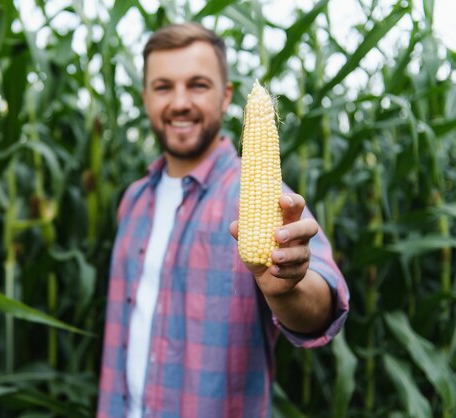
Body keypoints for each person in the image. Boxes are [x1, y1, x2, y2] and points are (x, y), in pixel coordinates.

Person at [97, 22, 349, 418]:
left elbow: (321, 308)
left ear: (226, 96)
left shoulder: (260, 196)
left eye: (198, 85)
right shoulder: (133, 200)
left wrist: (288, 288)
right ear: (145, 97)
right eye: (163, 87)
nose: (180, 102)